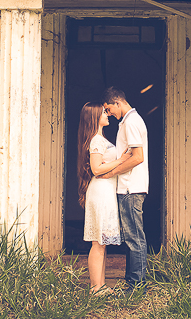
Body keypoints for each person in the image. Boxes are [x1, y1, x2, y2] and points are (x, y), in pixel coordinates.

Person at [103, 86, 148, 288]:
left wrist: (112, 172)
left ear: (117, 102)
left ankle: (137, 285)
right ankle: (131, 281)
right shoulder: (128, 121)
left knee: (134, 238)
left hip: (131, 188)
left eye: (109, 109)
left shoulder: (131, 122)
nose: (109, 114)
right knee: (131, 238)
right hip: (129, 187)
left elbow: (138, 157)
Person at [77, 101, 123, 293]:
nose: (107, 114)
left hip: (105, 190)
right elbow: (96, 169)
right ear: (95, 117)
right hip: (101, 191)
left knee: (101, 243)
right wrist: (122, 160)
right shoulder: (96, 140)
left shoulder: (99, 139)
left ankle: (101, 286)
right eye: (104, 112)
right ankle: (96, 288)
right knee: (98, 242)